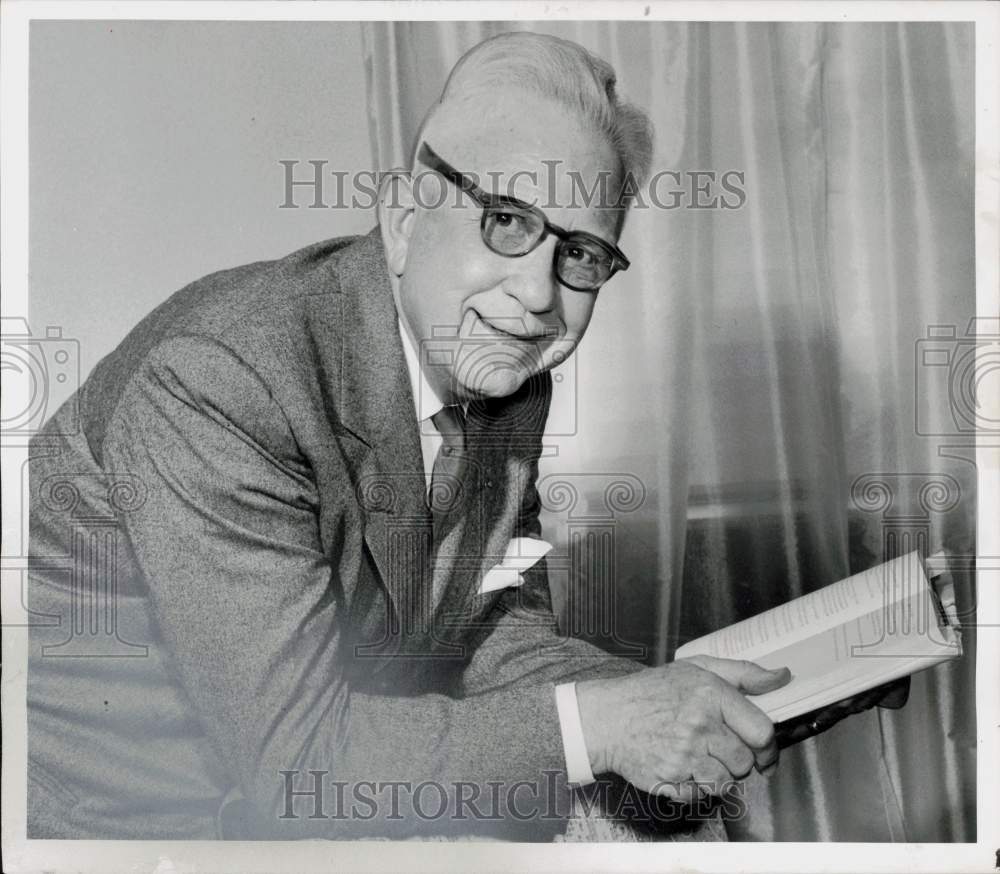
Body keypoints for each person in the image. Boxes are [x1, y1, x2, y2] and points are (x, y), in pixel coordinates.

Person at [28, 31, 821, 841]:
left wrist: (703, 704)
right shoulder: (221, 378)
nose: (539, 293)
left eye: (579, 252)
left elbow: (494, 628)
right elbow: (300, 766)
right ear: (405, 219)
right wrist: (609, 723)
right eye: (507, 221)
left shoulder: (504, 370)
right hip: (131, 833)